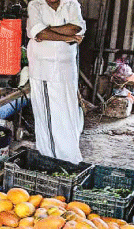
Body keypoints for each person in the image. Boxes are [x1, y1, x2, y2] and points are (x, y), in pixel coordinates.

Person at [26, 0, 85, 164]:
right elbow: (39, 33)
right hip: (44, 71)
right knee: (49, 118)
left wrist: (46, 29)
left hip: (67, 70)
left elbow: (76, 27)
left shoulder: (72, 4)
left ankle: (70, 158)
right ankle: (52, 160)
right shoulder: (35, 5)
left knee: (67, 114)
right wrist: (65, 35)